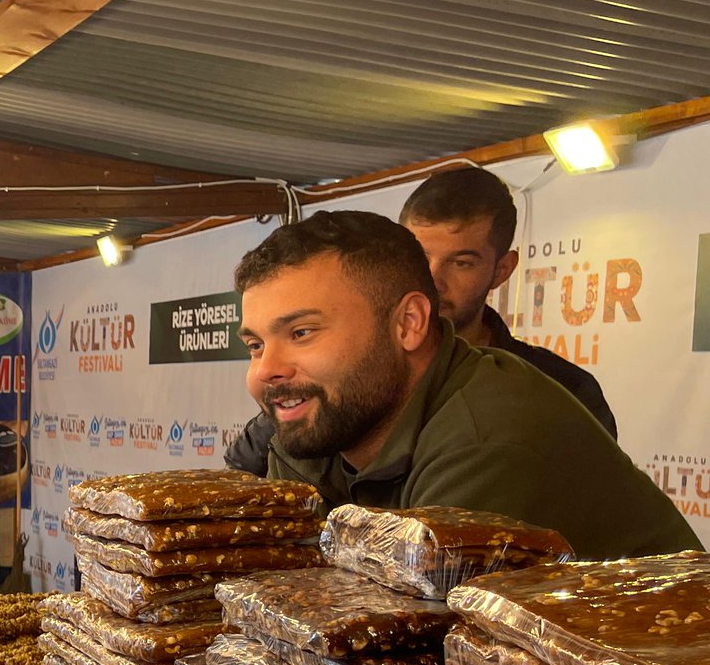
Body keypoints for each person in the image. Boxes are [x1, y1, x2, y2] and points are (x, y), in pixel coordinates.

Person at [235, 209, 698, 559]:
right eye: (256, 345)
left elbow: (398, 644)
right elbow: (288, 596)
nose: (266, 370)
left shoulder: (488, 438)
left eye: (301, 333)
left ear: (409, 323)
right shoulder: (321, 423)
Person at [225, 166, 615, 472]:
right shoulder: (333, 392)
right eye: (417, 256)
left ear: (502, 269)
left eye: (461, 262)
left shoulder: (557, 392)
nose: (431, 278)